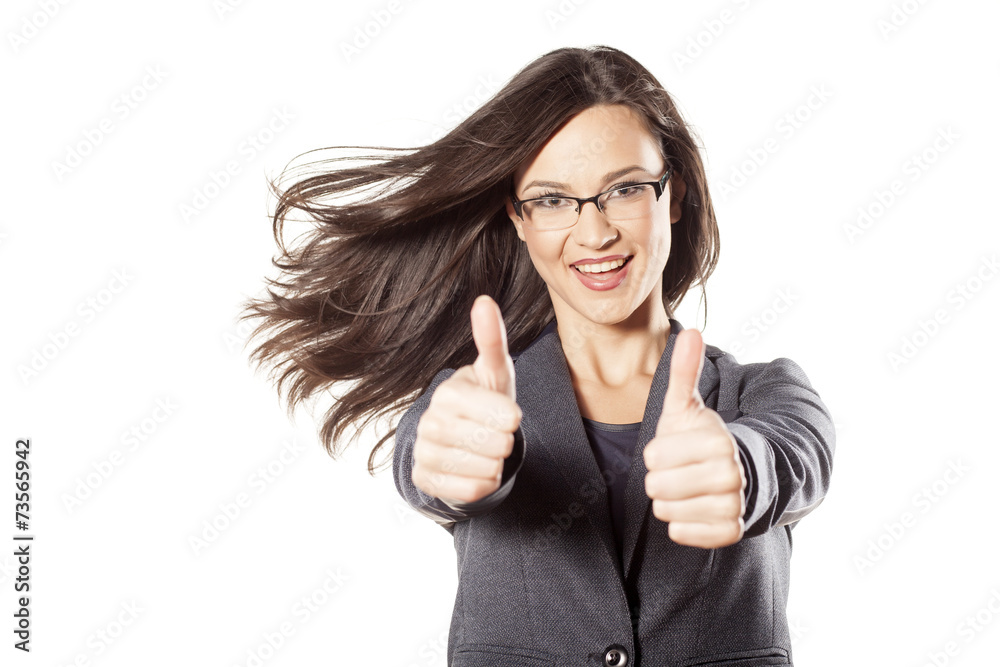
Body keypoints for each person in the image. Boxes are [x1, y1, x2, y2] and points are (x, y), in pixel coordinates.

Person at [242, 45, 835, 667]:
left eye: (625, 189)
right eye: (553, 200)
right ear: (519, 219)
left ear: (674, 194)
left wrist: (741, 471)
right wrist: (450, 465)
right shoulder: (472, 400)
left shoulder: (765, 394)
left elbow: (797, 457)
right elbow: (430, 457)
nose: (595, 232)